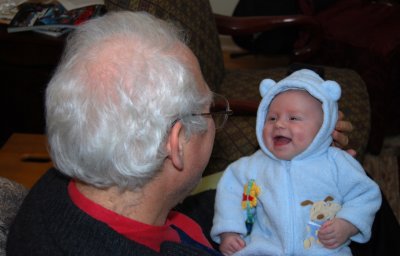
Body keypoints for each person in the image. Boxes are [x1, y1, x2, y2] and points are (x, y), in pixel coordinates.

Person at [6, 11, 353, 255]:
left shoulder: (53, 191)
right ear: (176, 143)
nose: (215, 117)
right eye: (209, 108)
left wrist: (301, 166)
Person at [210, 69, 382, 256]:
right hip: (264, 249)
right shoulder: (249, 167)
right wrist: (229, 231)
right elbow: (230, 194)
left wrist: (348, 224)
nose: (279, 124)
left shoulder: (337, 163)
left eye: (293, 118)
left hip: (323, 250)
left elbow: (365, 195)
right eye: (272, 118)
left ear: (324, 127)